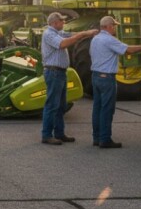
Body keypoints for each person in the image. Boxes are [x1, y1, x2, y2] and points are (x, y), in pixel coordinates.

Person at [90, 15, 141, 148]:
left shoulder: (95, 39)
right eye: (114, 25)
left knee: (97, 108)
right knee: (107, 110)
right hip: (107, 78)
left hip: (96, 76)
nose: (115, 28)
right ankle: (105, 139)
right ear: (109, 26)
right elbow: (129, 50)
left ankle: (96, 137)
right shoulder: (110, 39)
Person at [40, 12, 99, 145]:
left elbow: (70, 35)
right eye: (62, 21)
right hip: (54, 73)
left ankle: (59, 133)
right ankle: (47, 135)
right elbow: (63, 44)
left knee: (60, 105)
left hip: (59, 73)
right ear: (55, 23)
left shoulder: (56, 33)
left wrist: (86, 33)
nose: (64, 23)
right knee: (52, 105)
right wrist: (82, 35)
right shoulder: (49, 34)